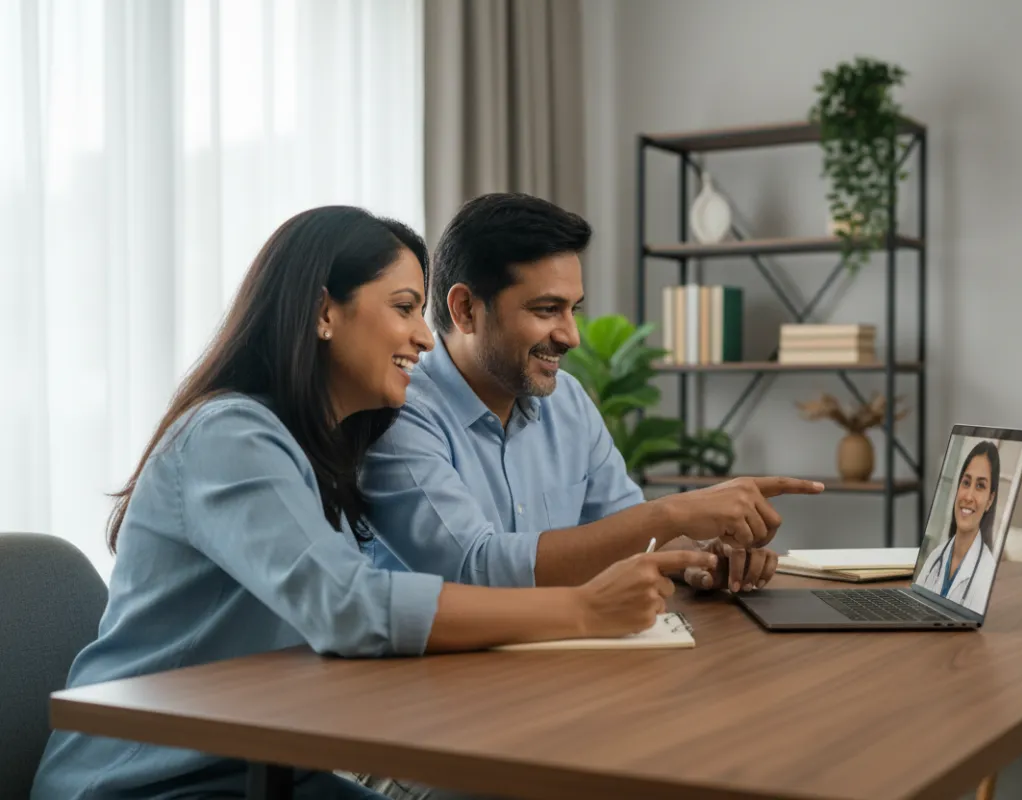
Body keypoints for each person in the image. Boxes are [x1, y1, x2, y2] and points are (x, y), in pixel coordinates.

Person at [29, 206, 716, 800]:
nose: (423, 337)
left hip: (265, 769)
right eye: (403, 309)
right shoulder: (228, 436)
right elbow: (350, 607)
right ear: (325, 311)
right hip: (145, 780)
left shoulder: (327, 449)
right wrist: (583, 609)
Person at [359, 192, 824, 598]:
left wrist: (704, 559)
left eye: (573, 309)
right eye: (547, 310)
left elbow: (631, 537)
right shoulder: (397, 411)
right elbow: (475, 568)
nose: (571, 336)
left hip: (557, 663)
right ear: (465, 309)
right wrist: (673, 512)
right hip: (435, 685)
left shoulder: (568, 402)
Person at [913, 440, 1001, 612]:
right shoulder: (935, 557)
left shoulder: (987, 574)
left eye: (980, 486)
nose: (968, 496)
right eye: (966, 483)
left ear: (990, 500)